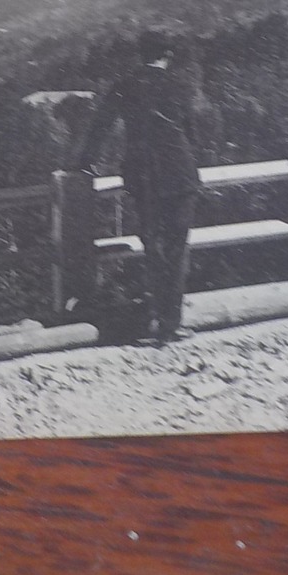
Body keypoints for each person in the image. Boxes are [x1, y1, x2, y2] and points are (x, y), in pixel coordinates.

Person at [71, 30, 201, 345]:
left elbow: (100, 127)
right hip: (179, 173)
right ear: (168, 55)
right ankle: (171, 322)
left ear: (141, 54)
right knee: (176, 247)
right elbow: (195, 130)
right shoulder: (182, 86)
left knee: (153, 247)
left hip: (144, 175)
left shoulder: (125, 86)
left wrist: (84, 164)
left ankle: (157, 317)